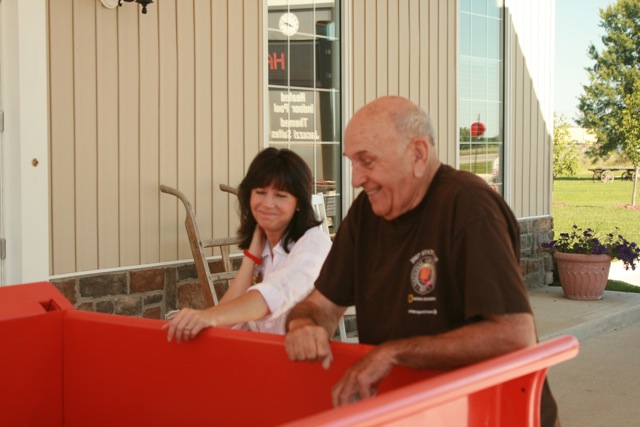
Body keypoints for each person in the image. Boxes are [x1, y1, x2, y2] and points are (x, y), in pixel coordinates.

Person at [284, 96, 560, 427]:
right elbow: (321, 307)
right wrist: (304, 325)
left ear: (418, 154)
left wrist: (393, 353)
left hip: (495, 414)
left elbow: (515, 335)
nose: (355, 179)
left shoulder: (470, 205)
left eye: (367, 161)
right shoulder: (365, 213)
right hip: (413, 413)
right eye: (352, 163)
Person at [164, 147, 332, 342]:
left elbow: (276, 294)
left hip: (295, 357)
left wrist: (207, 316)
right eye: (260, 192)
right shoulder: (264, 246)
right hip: (258, 354)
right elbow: (227, 319)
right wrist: (250, 258)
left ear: (299, 202)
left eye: (280, 195)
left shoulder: (314, 244)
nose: (267, 203)